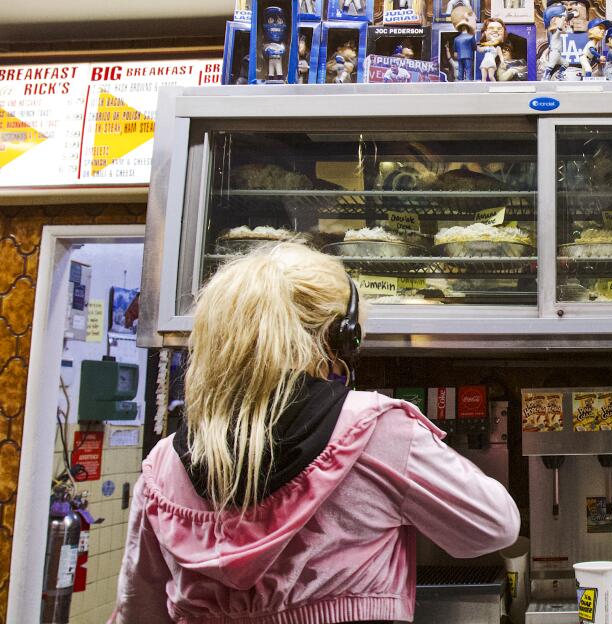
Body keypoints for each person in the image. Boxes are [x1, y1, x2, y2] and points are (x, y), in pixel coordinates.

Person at [108, 244, 519, 624]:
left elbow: (137, 610)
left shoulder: (164, 464)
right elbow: (494, 526)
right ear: (338, 338)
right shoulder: (375, 430)